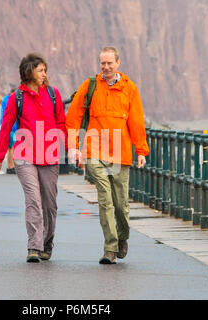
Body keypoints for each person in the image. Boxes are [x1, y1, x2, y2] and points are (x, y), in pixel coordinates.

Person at [65, 46, 149, 264]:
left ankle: (122, 238)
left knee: (121, 204)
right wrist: (73, 146)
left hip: (121, 153)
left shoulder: (129, 88)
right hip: (94, 150)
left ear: (118, 63)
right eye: (103, 63)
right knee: (105, 199)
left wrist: (141, 150)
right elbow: (73, 117)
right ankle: (110, 249)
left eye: (110, 63)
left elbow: (136, 121)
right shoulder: (90, 85)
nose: (106, 67)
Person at [0, 53, 67, 263]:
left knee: (50, 204)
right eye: (40, 70)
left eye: (45, 70)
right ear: (29, 72)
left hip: (50, 155)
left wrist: (71, 149)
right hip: (25, 155)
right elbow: (6, 127)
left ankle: (47, 241)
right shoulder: (18, 98)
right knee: (33, 199)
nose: (44, 74)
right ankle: (34, 246)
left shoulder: (53, 94)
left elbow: (61, 123)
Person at [1, 88, 17, 174]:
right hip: (12, 127)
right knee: (12, 148)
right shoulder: (11, 100)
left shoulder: (5, 100)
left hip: (7, 127)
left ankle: (9, 166)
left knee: (10, 148)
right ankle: (12, 166)